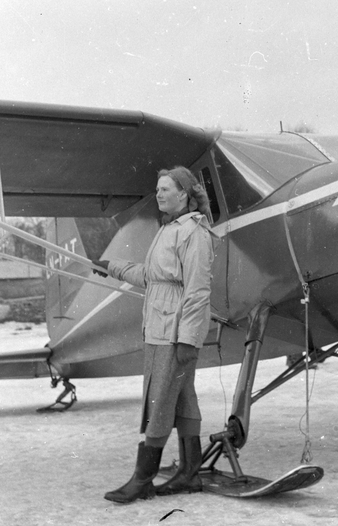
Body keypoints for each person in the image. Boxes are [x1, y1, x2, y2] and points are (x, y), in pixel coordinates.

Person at [93, 166, 215, 503]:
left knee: (160, 399)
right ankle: (190, 473)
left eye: (165, 189)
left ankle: (142, 479)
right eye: (157, 189)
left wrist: (188, 338)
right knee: (182, 397)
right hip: (159, 323)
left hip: (173, 330)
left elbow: (198, 290)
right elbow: (151, 276)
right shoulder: (169, 229)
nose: (158, 194)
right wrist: (110, 266)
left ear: (185, 194)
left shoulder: (194, 233)